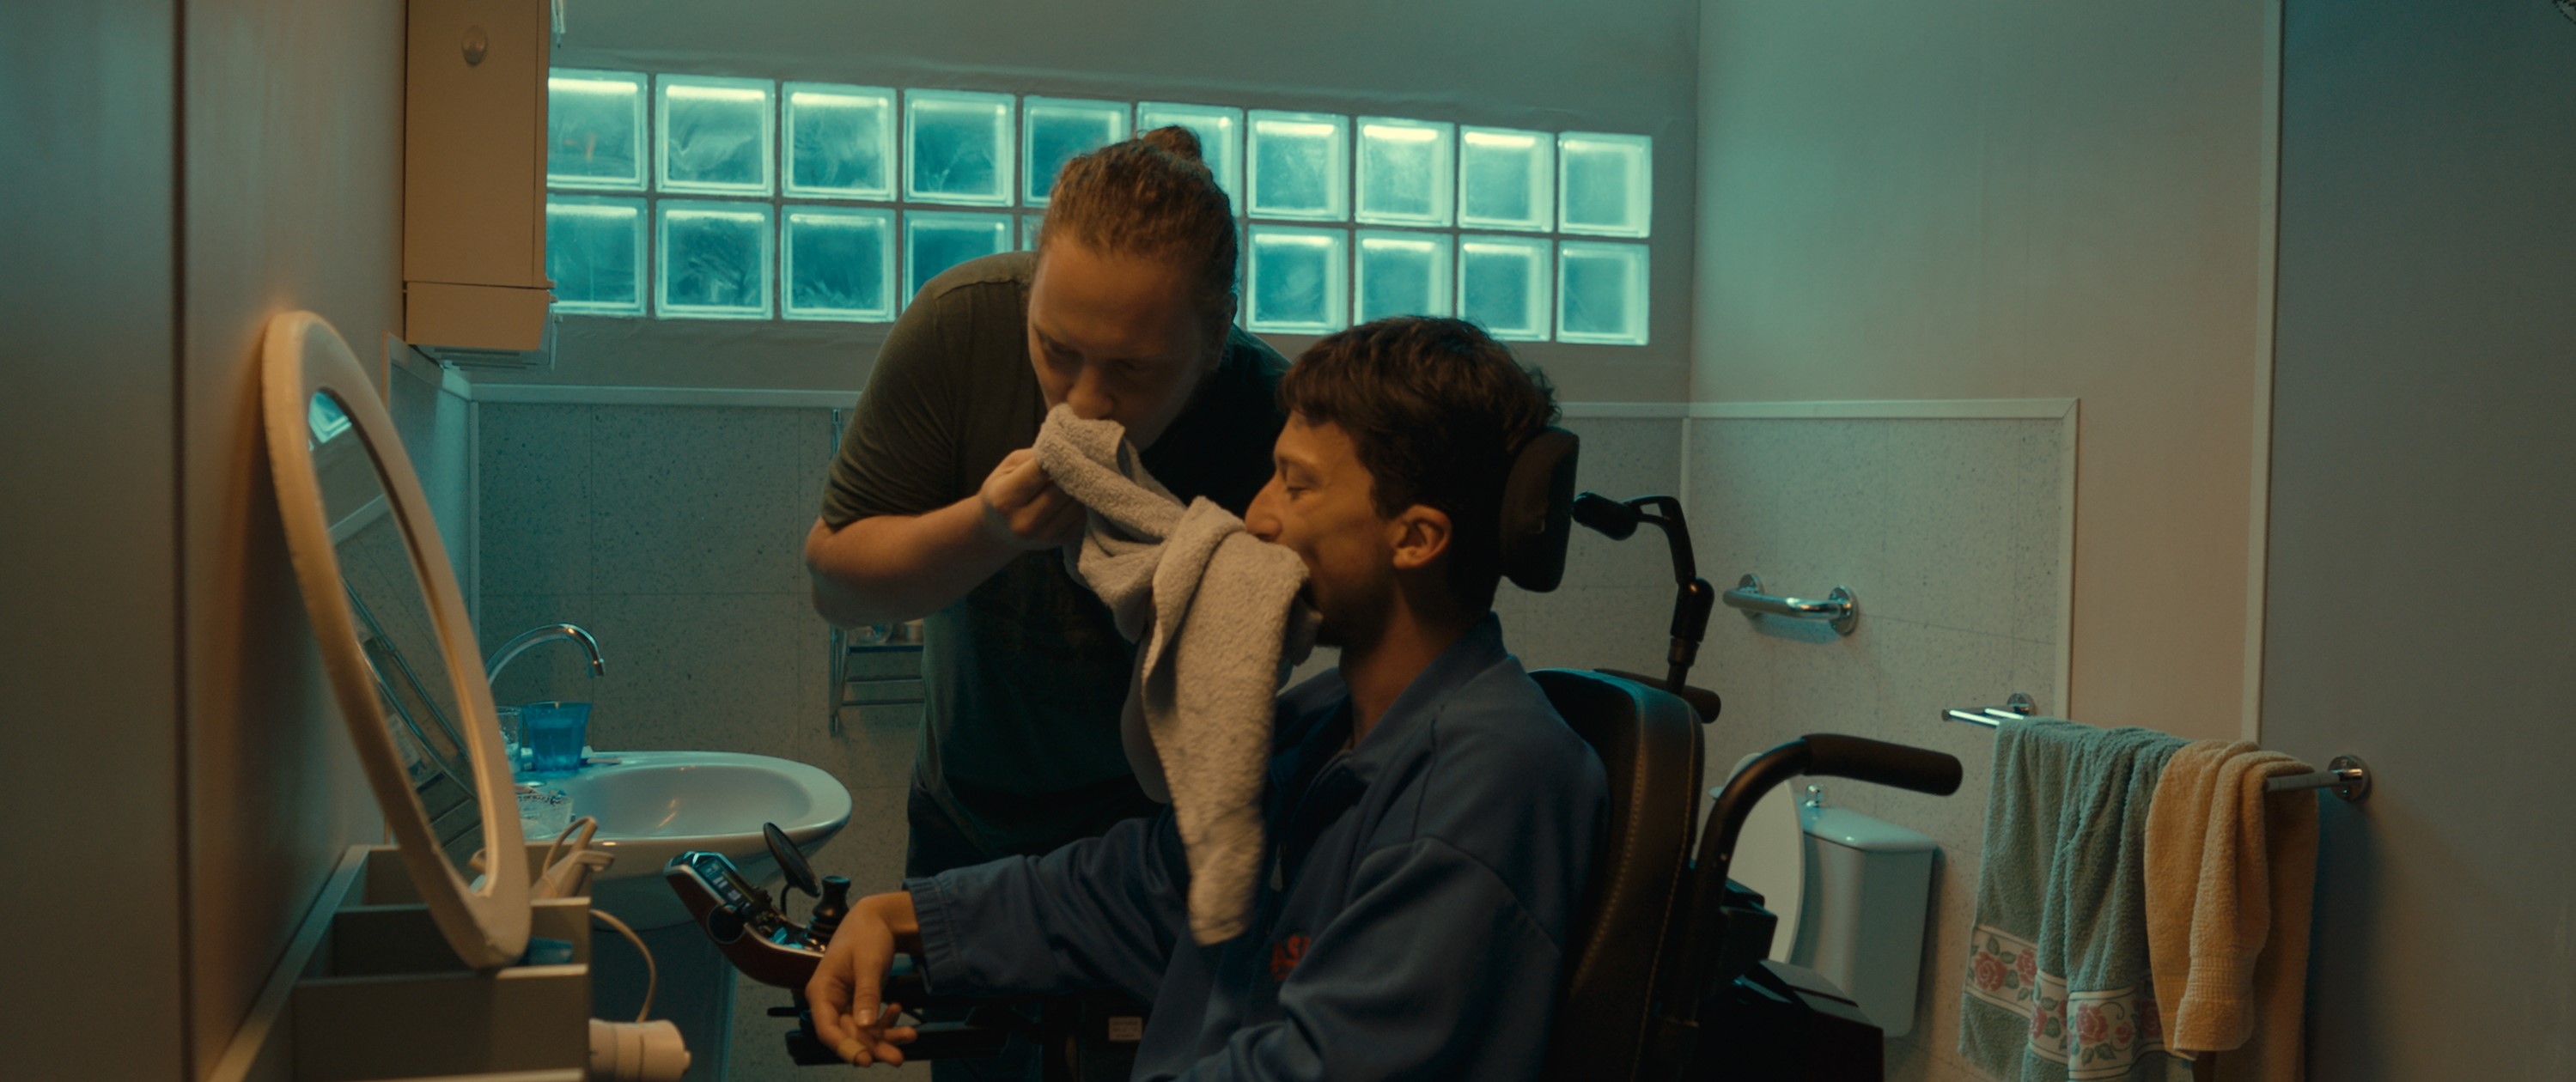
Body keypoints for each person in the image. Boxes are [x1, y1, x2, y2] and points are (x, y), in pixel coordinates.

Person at [806, 317, 1612, 1081]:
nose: (1255, 517)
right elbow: (1150, 886)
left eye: (1296, 486)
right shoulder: (1324, 724)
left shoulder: (1489, 784)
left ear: (1415, 537)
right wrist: (903, 917)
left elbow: (1326, 1064)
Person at [806, 130, 1288, 880]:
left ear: (1215, 335)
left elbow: (1198, 747)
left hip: (1155, 843)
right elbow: (835, 590)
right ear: (1031, 290)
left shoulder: (1269, 422)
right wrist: (985, 529)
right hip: (964, 818)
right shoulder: (961, 325)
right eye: (1056, 350)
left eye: (1133, 369)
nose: (1085, 403)